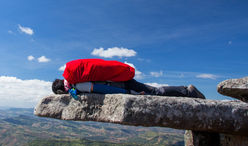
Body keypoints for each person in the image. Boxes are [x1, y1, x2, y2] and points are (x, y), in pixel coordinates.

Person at [52, 59, 205, 99]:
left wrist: (126, 93)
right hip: (118, 78)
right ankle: (186, 91)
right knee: (153, 90)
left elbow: (101, 88)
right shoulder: (73, 76)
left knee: (155, 92)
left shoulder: (78, 85)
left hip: (121, 84)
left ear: (61, 91)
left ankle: (187, 91)